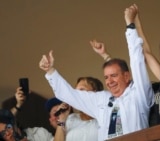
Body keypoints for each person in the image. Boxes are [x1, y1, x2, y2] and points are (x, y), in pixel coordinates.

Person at [38, 4, 154, 141]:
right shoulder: (101, 99)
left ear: (127, 76)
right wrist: (50, 71)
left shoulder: (139, 94)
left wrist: (130, 26)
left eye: (114, 76)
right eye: (106, 77)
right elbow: (70, 95)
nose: (109, 81)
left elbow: (137, 60)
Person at [53, 76, 103, 141]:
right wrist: (62, 119)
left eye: (81, 89)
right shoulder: (71, 119)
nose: (76, 94)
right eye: (75, 91)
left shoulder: (105, 118)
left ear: (95, 93)